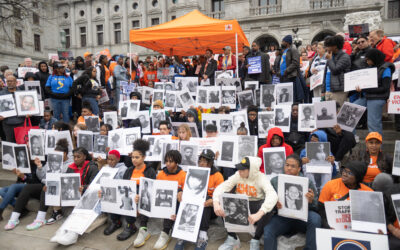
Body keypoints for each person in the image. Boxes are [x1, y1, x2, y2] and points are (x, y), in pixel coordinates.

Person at [213, 157, 278, 250]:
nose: (240, 171)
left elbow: (273, 195)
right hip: (240, 204)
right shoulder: (237, 175)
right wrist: (216, 202)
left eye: (243, 169)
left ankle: (256, 239)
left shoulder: (261, 177)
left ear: (251, 170)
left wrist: (260, 213)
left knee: (269, 207)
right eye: (239, 169)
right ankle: (233, 238)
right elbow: (222, 187)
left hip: (256, 205)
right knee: (223, 200)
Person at [264, 155, 321, 250]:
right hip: (282, 217)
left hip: (302, 218)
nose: (289, 168)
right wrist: (275, 205)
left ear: (299, 169)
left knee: (315, 219)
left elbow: (316, 207)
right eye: (287, 165)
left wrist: (311, 201)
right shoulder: (275, 181)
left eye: (293, 166)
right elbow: (268, 203)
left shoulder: (307, 182)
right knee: (268, 230)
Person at [104, 139, 156, 242]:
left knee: (129, 198)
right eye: (132, 157)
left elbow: (151, 191)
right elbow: (123, 186)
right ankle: (115, 221)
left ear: (144, 157)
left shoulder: (150, 171)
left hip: (141, 197)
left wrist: (139, 197)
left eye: (137, 157)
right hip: (130, 195)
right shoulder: (129, 170)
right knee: (114, 195)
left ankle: (130, 226)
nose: (134, 160)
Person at [318, 161, 372, 228]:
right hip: (332, 225)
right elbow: (321, 208)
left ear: (358, 177)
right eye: (344, 171)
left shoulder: (368, 192)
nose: (344, 174)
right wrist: (328, 225)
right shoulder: (331, 185)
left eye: (350, 173)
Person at [353, 48, 394, 135]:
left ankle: (376, 147)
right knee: (349, 112)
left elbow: (385, 88)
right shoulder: (372, 67)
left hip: (378, 97)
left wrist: (365, 88)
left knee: (373, 123)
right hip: (368, 96)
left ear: (374, 58)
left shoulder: (386, 69)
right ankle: (350, 139)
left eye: (368, 60)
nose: (367, 62)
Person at [152, 150, 186, 250]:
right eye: (166, 161)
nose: (167, 163)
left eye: (170, 161)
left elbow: (186, 192)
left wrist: (180, 191)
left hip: (177, 202)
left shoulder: (183, 175)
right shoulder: (161, 174)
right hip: (163, 202)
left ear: (177, 162)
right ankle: (166, 232)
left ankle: (171, 231)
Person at [321, 35, 351, 106]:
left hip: (339, 91)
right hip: (328, 90)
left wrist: (330, 59)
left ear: (335, 46)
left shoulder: (344, 56)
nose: (326, 48)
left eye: (328, 46)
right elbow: (326, 74)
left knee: (337, 114)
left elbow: (335, 70)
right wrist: (323, 90)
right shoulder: (330, 56)